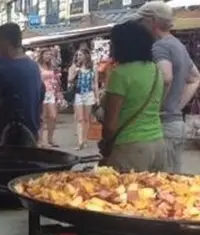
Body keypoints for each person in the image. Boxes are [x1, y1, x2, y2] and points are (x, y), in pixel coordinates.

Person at [132, 1, 200, 173]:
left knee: (160, 185)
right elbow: (195, 78)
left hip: (162, 126)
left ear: (152, 22)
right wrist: (177, 105)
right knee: (172, 181)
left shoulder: (159, 45)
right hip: (176, 123)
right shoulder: (178, 45)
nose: (139, 27)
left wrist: (157, 107)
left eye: (141, 22)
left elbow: (166, 77)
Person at [102, 21, 165, 172]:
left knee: (124, 194)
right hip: (158, 143)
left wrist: (106, 144)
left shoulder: (120, 74)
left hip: (130, 147)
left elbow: (110, 124)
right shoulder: (155, 70)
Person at [0, 23, 43, 146]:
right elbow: (40, 96)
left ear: (6, 42)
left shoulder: (1, 71)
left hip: (9, 136)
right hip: (32, 132)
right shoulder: (34, 67)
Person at [68, 49, 98, 150]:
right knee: (80, 119)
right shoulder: (74, 67)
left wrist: (97, 97)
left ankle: (85, 139)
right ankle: (80, 141)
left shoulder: (93, 67)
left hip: (89, 94)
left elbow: (95, 83)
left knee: (87, 118)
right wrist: (75, 73)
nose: (78, 57)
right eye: (77, 55)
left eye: (80, 55)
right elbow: (69, 80)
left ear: (86, 55)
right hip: (79, 94)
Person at [38, 49, 61, 147]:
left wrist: (58, 93)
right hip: (42, 92)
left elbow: (56, 80)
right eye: (46, 54)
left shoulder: (52, 66)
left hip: (51, 92)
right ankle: (40, 140)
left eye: (50, 54)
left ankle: (50, 138)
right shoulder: (37, 66)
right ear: (42, 55)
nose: (48, 56)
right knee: (42, 118)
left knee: (53, 116)